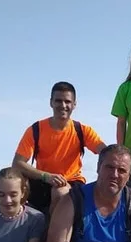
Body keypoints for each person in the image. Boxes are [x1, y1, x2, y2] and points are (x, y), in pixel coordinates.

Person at [13, 81, 106, 216]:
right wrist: (46, 176)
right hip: (43, 180)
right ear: (51, 102)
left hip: (71, 182)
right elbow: (17, 163)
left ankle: (52, 227)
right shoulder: (36, 129)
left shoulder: (82, 130)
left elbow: (106, 152)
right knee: (13, 183)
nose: (63, 105)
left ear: (74, 104)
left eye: (67, 101)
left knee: (60, 192)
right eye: (58, 101)